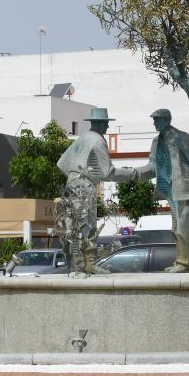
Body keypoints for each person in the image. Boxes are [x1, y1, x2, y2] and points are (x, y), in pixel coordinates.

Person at [57, 107, 135, 272]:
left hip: (70, 186)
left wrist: (75, 174)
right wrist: (132, 174)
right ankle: (87, 264)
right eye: (106, 124)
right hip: (84, 186)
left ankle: (77, 266)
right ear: (99, 124)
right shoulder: (98, 141)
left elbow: (61, 163)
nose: (107, 128)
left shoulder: (81, 138)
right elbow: (107, 172)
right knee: (88, 225)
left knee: (74, 226)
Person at [135, 108, 189, 272]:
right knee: (176, 228)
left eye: (157, 119)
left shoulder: (181, 137)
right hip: (169, 189)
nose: (154, 123)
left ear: (167, 120)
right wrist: (134, 174)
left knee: (183, 226)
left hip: (183, 189)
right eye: (154, 119)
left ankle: (185, 263)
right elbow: (152, 166)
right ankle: (180, 261)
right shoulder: (156, 142)